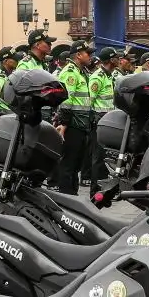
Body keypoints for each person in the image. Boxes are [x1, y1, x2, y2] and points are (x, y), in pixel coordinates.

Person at [51, 42, 94, 193]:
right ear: (78, 55)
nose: (90, 56)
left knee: (76, 165)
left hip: (81, 125)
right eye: (88, 53)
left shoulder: (81, 72)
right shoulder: (70, 72)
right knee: (68, 164)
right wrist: (64, 124)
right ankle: (66, 197)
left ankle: (73, 194)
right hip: (72, 125)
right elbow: (66, 101)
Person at [87, 46, 118, 189]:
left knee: (107, 156)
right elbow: (89, 101)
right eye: (116, 57)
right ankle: (95, 189)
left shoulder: (109, 75)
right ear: (111, 60)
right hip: (99, 120)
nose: (119, 60)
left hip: (109, 121)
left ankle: (104, 186)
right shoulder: (97, 77)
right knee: (98, 157)